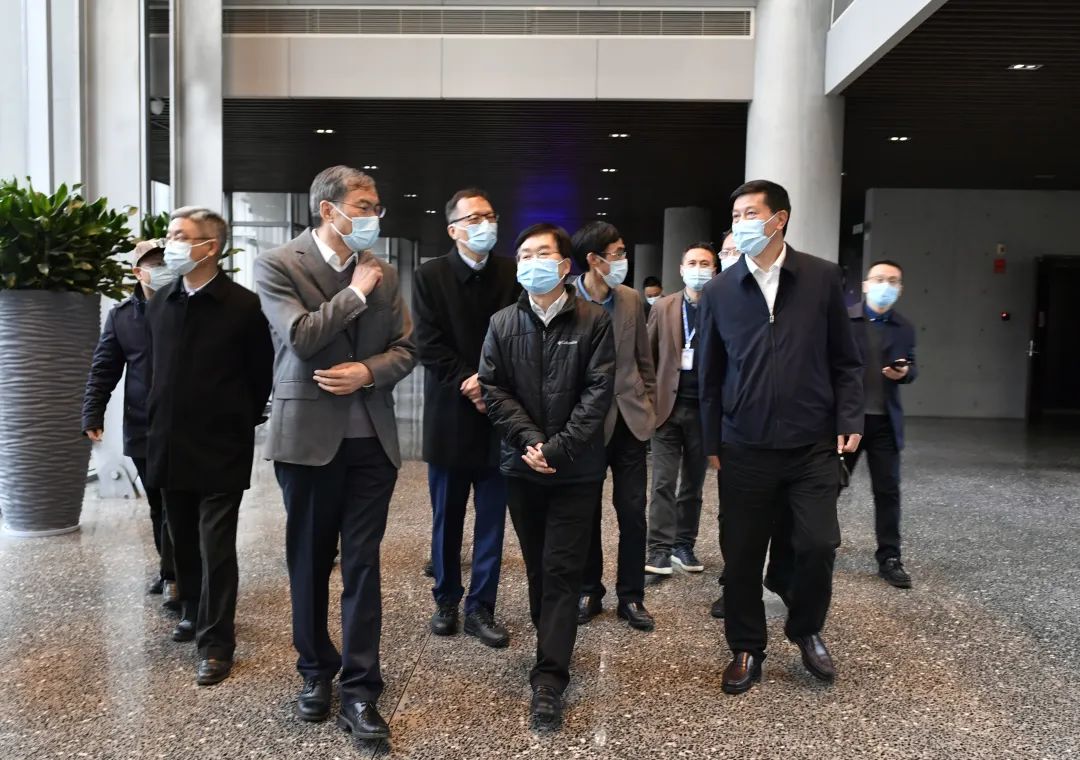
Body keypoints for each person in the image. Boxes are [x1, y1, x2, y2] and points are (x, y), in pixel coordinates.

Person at [255, 166, 416, 740]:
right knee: (309, 560)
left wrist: (367, 372)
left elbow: (406, 349)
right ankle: (315, 671)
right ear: (329, 209)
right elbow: (301, 337)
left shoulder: (383, 271)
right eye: (365, 205)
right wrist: (355, 293)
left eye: (376, 207)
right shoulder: (278, 264)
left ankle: (361, 689)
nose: (374, 216)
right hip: (306, 442)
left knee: (363, 565)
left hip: (372, 441)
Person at [698, 180, 864, 695]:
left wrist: (850, 417)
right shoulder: (720, 291)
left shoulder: (821, 277)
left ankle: (806, 627)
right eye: (736, 215)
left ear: (780, 218)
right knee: (742, 555)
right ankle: (746, 646)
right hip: (744, 445)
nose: (741, 223)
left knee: (818, 543)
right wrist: (711, 443)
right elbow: (708, 375)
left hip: (811, 443)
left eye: (751, 213)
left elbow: (846, 359)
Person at [478, 223, 614, 725]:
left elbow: (598, 392)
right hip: (522, 467)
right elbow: (493, 389)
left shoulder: (595, 320)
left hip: (576, 470)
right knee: (538, 565)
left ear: (563, 265)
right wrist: (531, 443)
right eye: (524, 254)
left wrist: (557, 448)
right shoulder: (501, 323)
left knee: (561, 568)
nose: (531, 262)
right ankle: (550, 639)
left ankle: (550, 677)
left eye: (542, 253)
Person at [145, 207, 274, 686]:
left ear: (209, 247)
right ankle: (194, 612)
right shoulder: (162, 300)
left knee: (215, 546)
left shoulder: (243, 305)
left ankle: (217, 644)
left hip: (221, 445)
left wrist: (238, 419)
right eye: (169, 234)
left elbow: (260, 375)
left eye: (180, 235)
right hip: (169, 443)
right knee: (181, 542)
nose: (170, 243)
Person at [413, 188, 518, 647]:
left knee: (492, 520)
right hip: (450, 414)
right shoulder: (430, 275)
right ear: (453, 229)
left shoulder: (512, 273)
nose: (484, 224)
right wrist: (468, 381)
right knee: (447, 517)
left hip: (502, 415)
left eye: (489, 216)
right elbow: (428, 343)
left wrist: (489, 385)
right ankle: (445, 599)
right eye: (473, 218)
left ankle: (481, 606)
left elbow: (521, 336)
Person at [82, 240, 179, 609]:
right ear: (138, 272)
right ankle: (169, 567)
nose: (163, 268)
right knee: (158, 503)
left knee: (176, 502)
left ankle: (175, 575)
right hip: (142, 426)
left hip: (185, 425)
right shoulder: (122, 316)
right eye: (155, 264)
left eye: (167, 261)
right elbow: (104, 367)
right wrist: (92, 413)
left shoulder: (187, 306)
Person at [572, 221, 657, 632]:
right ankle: (589, 590)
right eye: (617, 253)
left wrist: (650, 406)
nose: (624, 259)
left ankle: (631, 596)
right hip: (585, 424)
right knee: (586, 511)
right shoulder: (566, 298)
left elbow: (644, 358)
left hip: (630, 421)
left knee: (633, 511)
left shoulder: (630, 298)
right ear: (594, 259)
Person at [645, 242, 717, 578]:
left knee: (693, 484)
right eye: (692, 262)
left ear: (714, 270)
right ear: (681, 268)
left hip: (704, 412)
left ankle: (683, 543)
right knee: (662, 481)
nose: (698, 269)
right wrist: (648, 403)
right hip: (667, 410)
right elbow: (648, 357)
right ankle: (658, 548)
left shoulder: (721, 307)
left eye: (705, 263)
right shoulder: (663, 306)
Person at [846, 260, 917, 589]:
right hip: (848, 421)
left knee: (888, 491)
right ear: (865, 284)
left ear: (900, 289)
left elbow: (913, 366)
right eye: (879, 279)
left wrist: (905, 372)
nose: (885, 286)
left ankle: (889, 557)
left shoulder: (904, 327)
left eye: (893, 281)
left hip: (885, 421)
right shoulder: (845, 321)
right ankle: (816, 546)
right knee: (829, 486)